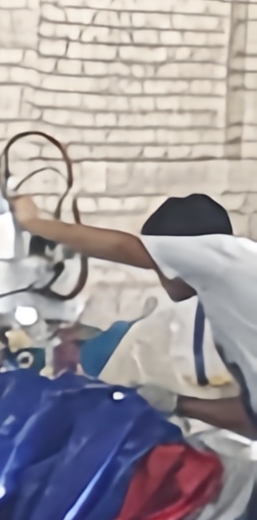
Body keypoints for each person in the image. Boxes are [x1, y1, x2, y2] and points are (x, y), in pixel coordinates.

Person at [14, 186, 257, 436]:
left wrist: (31, 222)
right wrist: (178, 403)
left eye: (159, 263)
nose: (160, 272)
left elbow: (122, 246)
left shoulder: (225, 270)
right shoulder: (232, 296)